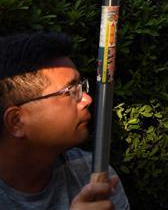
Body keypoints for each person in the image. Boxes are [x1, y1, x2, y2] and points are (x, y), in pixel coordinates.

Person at [0, 32, 129, 210]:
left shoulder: (89, 172)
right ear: (16, 121)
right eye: (71, 91)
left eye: (82, 87)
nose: (87, 100)